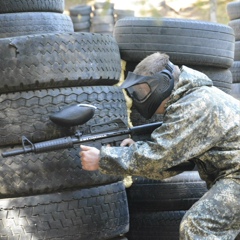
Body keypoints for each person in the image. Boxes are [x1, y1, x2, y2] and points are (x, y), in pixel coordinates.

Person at [80, 52, 240, 239]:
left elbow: (158, 158)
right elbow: (170, 164)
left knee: (198, 226)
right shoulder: (192, 99)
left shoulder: (194, 104)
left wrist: (103, 158)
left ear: (162, 83)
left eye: (143, 91)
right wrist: (134, 150)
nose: (140, 98)